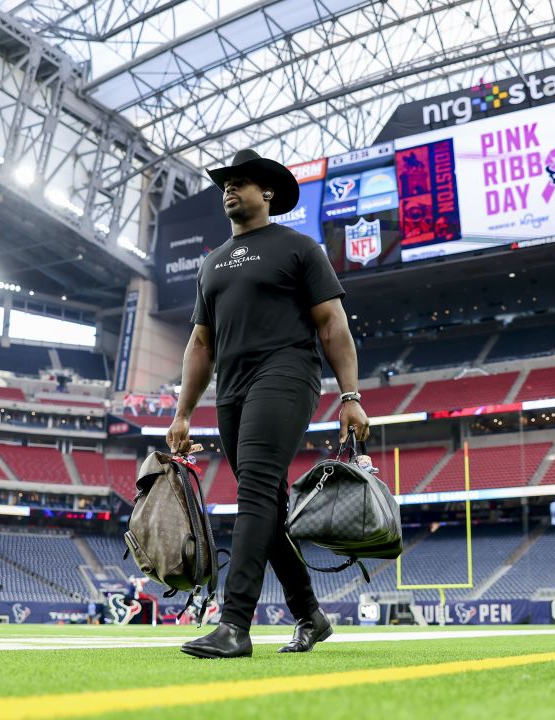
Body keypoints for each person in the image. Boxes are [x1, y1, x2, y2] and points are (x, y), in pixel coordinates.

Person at [167, 149, 369, 659]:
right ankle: (310, 614)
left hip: (286, 374)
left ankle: (234, 624)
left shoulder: (299, 248)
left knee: (255, 492)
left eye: (241, 182)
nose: (229, 190)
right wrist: (183, 412)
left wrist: (350, 395)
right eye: (225, 184)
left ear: (268, 193)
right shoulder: (210, 263)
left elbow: (332, 324)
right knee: (267, 506)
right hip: (231, 390)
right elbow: (200, 345)